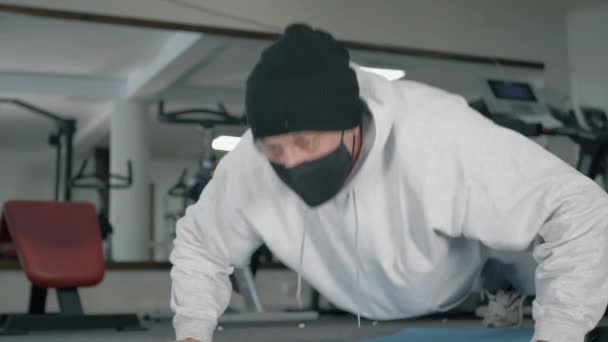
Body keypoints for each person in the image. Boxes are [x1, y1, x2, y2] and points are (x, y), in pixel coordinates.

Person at [170, 24, 608, 342]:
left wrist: (562, 332)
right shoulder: (251, 161)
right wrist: (191, 331)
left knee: (522, 246)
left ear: (350, 124)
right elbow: (200, 243)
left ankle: (508, 280)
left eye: (306, 142)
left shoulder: (439, 135)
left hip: (459, 281)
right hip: (361, 308)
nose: (291, 161)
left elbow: (579, 208)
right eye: (276, 150)